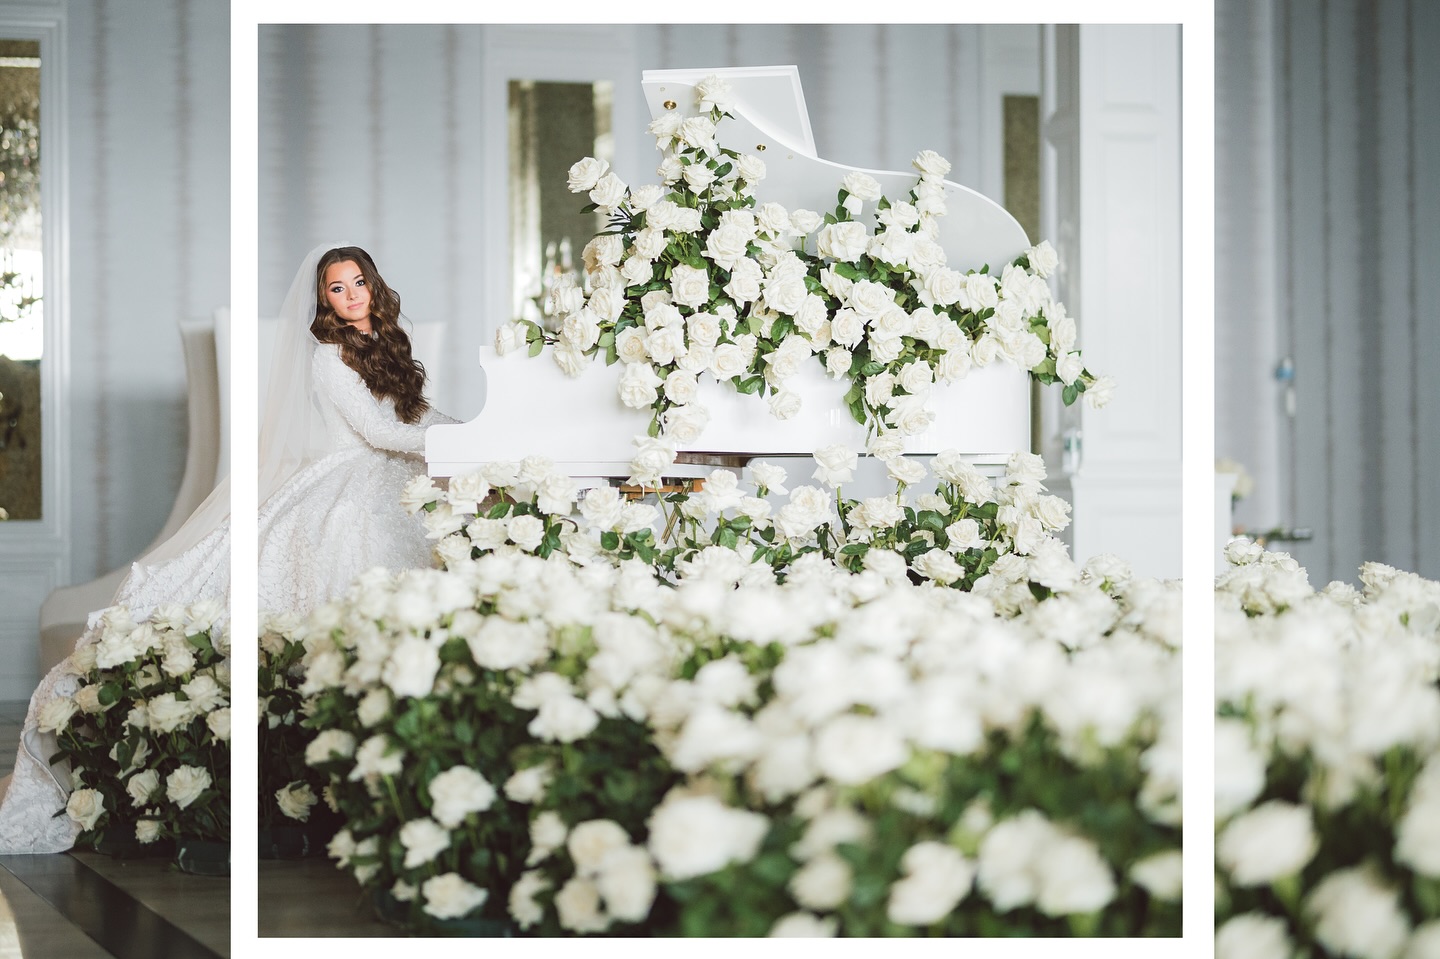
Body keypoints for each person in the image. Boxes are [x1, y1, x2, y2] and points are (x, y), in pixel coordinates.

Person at [0, 243, 458, 853]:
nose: (350, 296)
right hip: (355, 471)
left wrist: (462, 433)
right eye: (337, 288)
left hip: (396, 469)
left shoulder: (389, 343)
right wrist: (442, 445)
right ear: (324, 298)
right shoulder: (330, 357)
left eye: (357, 283)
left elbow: (413, 412)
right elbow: (377, 431)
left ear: (374, 286)